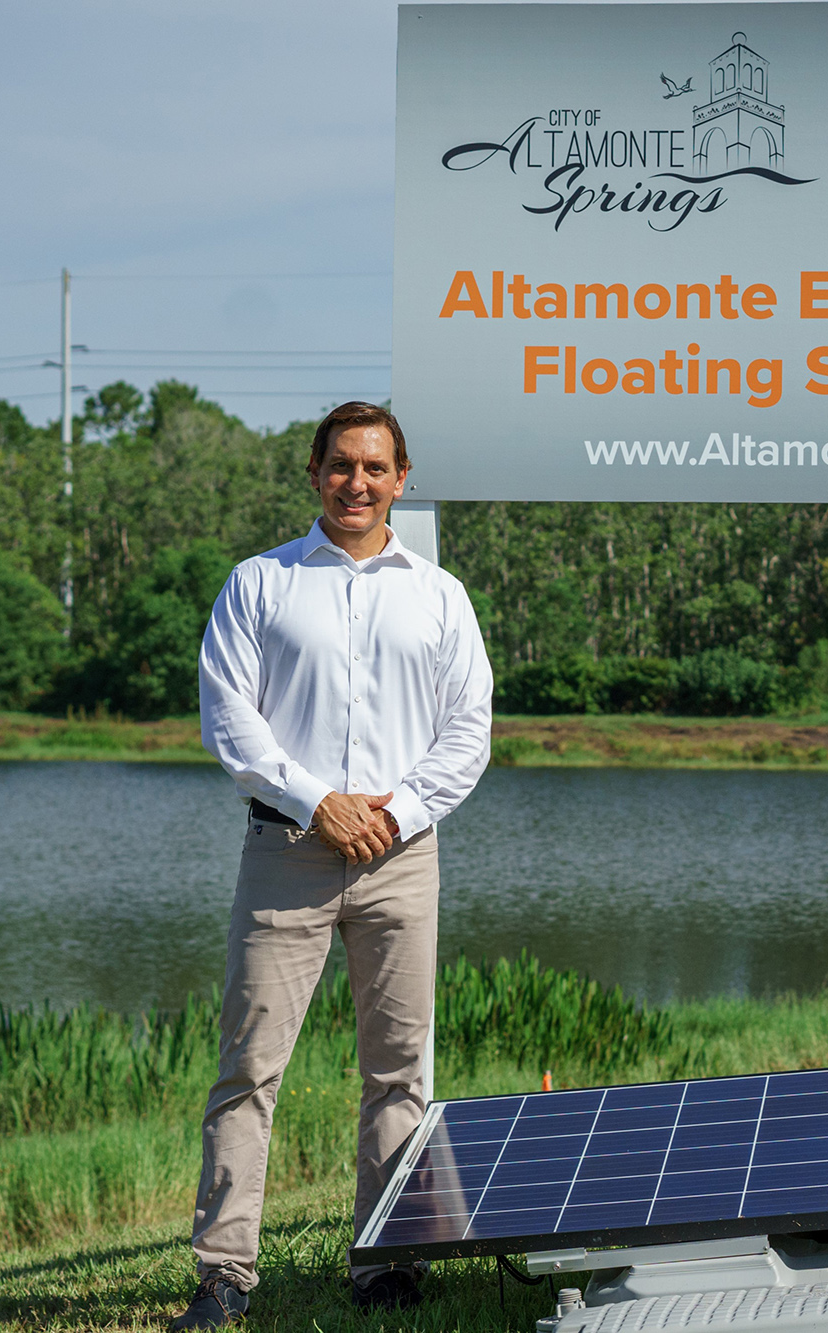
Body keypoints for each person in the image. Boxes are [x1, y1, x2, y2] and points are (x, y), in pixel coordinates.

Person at [173, 402, 493, 1329]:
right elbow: (231, 720)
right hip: (288, 852)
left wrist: (392, 812)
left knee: (400, 1071)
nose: (359, 482)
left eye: (376, 467)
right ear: (314, 471)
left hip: (402, 855)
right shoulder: (259, 583)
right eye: (342, 464)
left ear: (403, 479)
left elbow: (466, 735)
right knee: (248, 1067)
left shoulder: (441, 595)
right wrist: (321, 802)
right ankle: (224, 1274)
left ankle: (387, 1259)